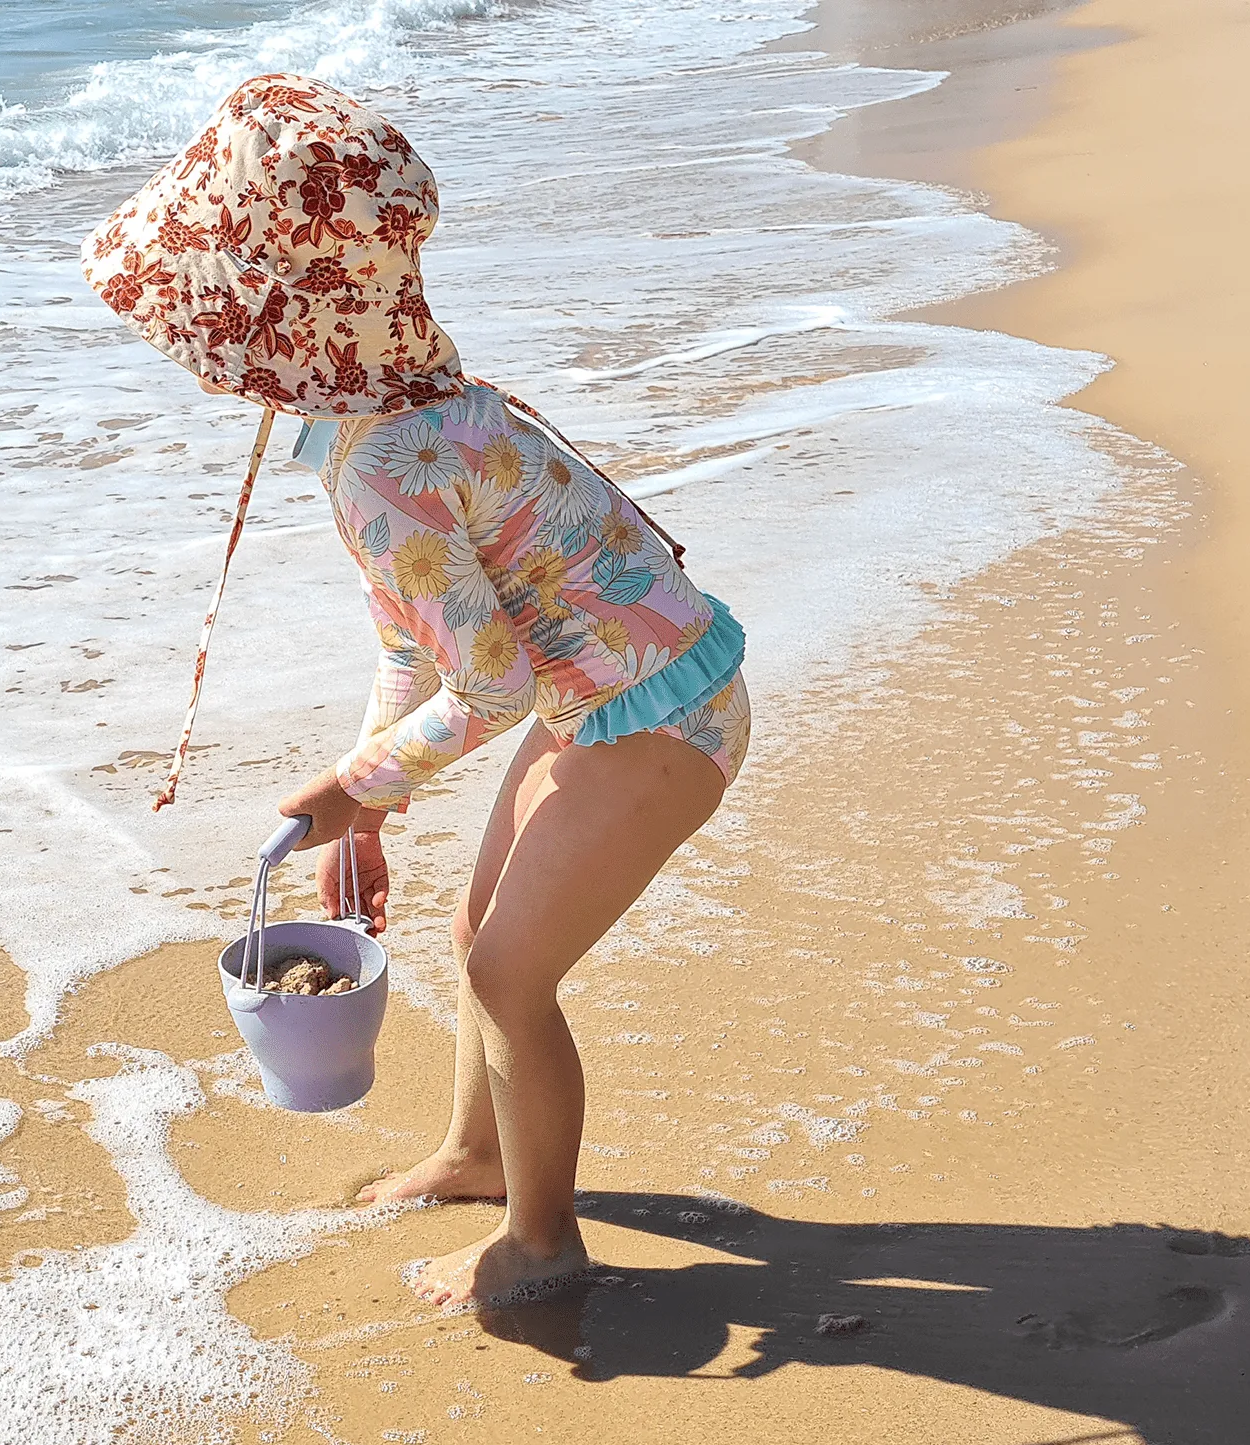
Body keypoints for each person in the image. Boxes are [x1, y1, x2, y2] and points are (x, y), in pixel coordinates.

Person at [83, 73, 750, 1309]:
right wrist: (374, 797)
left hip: (657, 716)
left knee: (509, 974)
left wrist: (359, 782)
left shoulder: (383, 461)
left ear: (273, 323)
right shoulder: (392, 411)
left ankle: (540, 1243)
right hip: (617, 693)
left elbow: (486, 683)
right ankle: (476, 1154)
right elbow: (419, 641)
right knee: (470, 936)